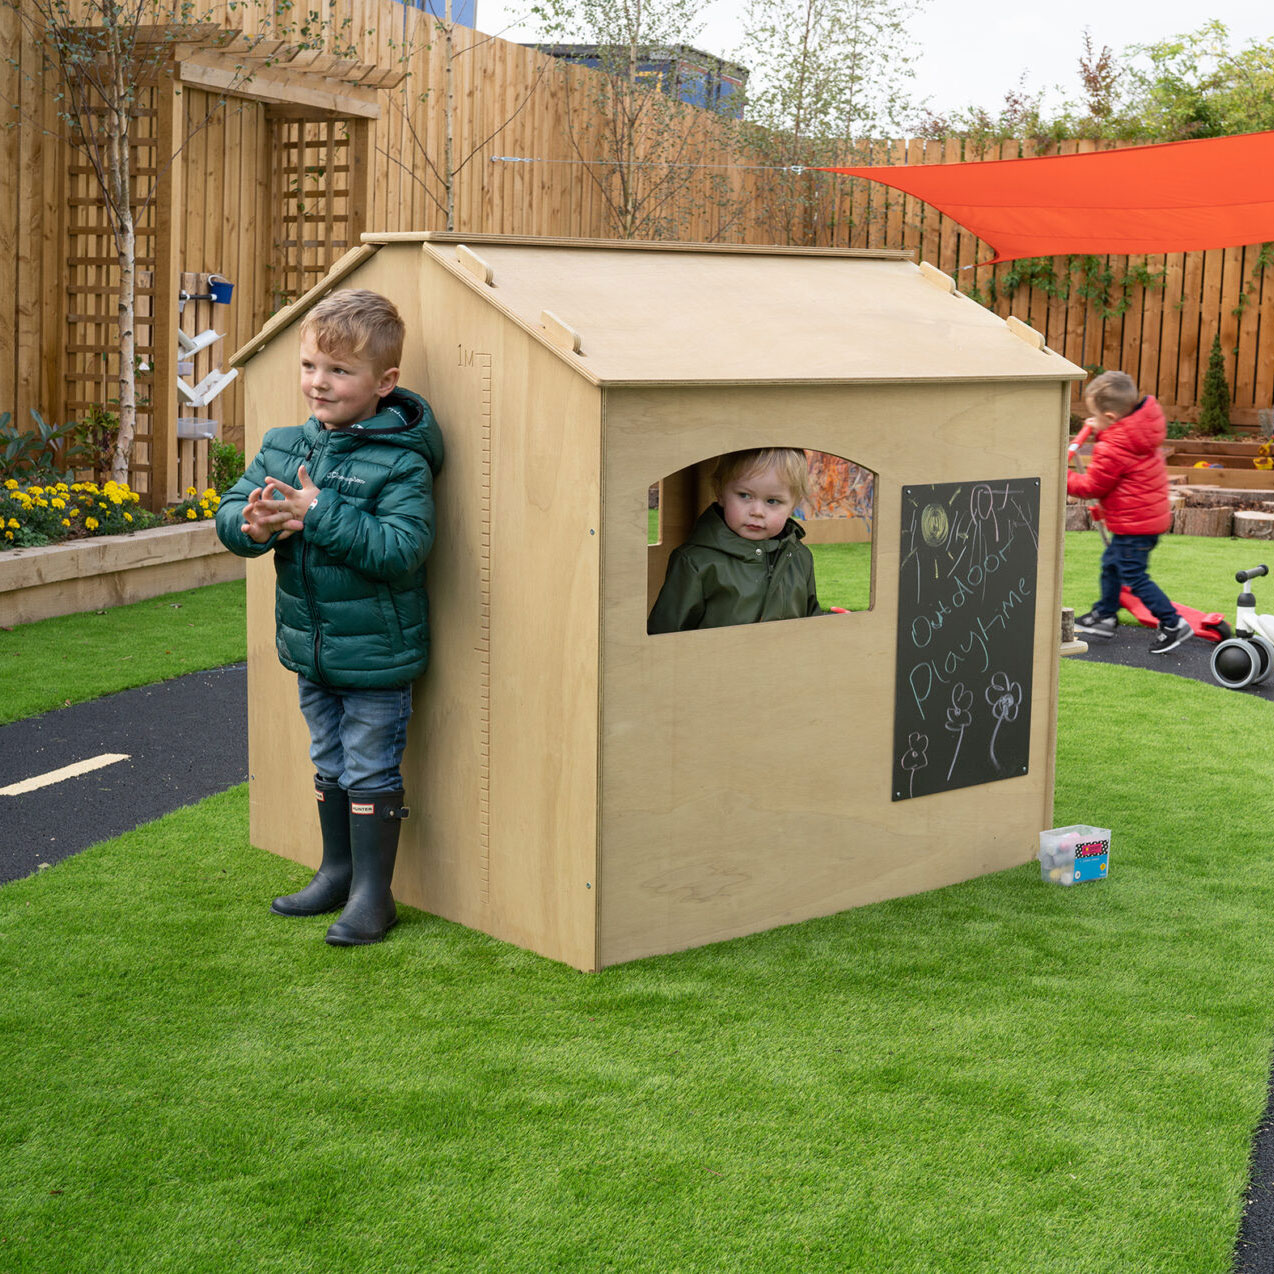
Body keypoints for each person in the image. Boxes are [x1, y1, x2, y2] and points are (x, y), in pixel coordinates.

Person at [215, 289, 444, 946]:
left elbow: (400, 550)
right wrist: (253, 525)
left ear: (383, 382)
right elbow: (231, 512)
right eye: (311, 365)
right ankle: (336, 871)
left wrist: (317, 512)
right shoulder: (283, 447)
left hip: (375, 654)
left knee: (369, 766)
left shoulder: (401, 463)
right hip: (310, 647)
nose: (319, 382)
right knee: (329, 759)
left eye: (340, 371)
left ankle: (374, 895)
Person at [1068, 370, 1191, 655]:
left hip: (1134, 526)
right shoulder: (1138, 431)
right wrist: (1101, 428)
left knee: (1134, 577)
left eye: (1095, 416)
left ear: (1111, 417)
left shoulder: (1113, 446)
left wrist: (1063, 477)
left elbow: (1092, 486)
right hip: (1144, 521)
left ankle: (1173, 623)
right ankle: (1105, 614)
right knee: (1112, 564)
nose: (1092, 421)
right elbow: (1118, 447)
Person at [648, 447, 825, 634]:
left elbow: (812, 620)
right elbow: (664, 633)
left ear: (793, 505)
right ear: (720, 493)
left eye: (772, 501)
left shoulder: (799, 557)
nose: (757, 511)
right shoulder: (695, 562)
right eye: (745, 495)